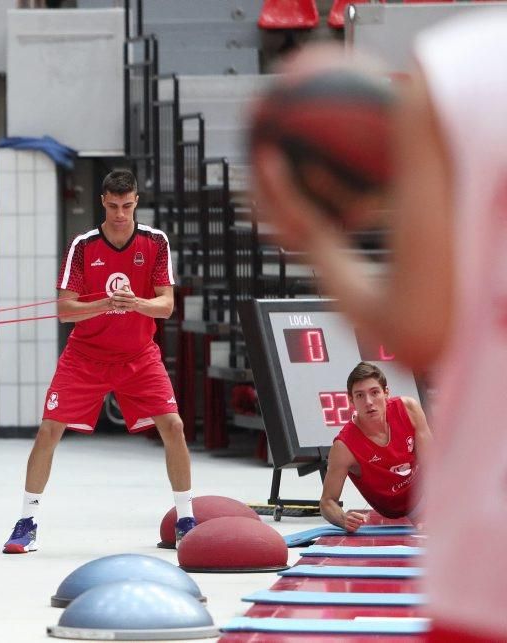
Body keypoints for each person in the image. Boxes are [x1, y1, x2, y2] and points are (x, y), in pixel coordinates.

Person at [253, 12, 507, 641]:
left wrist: (313, 237)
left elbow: (418, 329)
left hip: (488, 543)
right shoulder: (347, 440)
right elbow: (334, 502)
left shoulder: (459, 69)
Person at [3, 169, 196, 553]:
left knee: (173, 426)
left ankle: (186, 520)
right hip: (85, 357)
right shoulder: (83, 245)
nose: (120, 214)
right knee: (48, 431)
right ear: (102, 202)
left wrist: (136, 304)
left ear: (136, 201)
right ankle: (26, 522)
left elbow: (167, 304)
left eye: (126, 206)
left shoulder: (155, 242)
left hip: (138, 356)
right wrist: (105, 304)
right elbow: (64, 310)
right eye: (112, 206)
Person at [320, 362, 431, 531]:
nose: (369, 402)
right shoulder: (343, 446)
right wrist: (343, 519)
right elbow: (327, 502)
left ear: (386, 393)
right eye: (360, 395)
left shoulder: (409, 409)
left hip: (422, 498)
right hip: (388, 510)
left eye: (374, 392)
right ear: (351, 401)